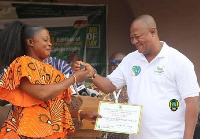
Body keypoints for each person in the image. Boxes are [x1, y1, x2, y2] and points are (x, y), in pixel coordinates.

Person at [74, 15, 200, 139]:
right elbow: (109, 85)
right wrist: (92, 74)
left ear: (152, 31)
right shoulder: (130, 60)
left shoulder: (179, 61)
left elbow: (192, 103)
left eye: (137, 37)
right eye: (131, 38)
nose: (134, 41)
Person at [0, 21, 98, 138]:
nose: (50, 44)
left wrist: (81, 114)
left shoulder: (53, 71)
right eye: (45, 40)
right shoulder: (21, 64)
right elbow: (41, 94)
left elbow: (54, 108)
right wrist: (74, 78)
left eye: (50, 41)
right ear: (30, 42)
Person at [99, 52, 129, 139]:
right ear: (108, 66)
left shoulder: (135, 88)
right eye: (113, 62)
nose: (116, 64)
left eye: (121, 62)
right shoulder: (96, 88)